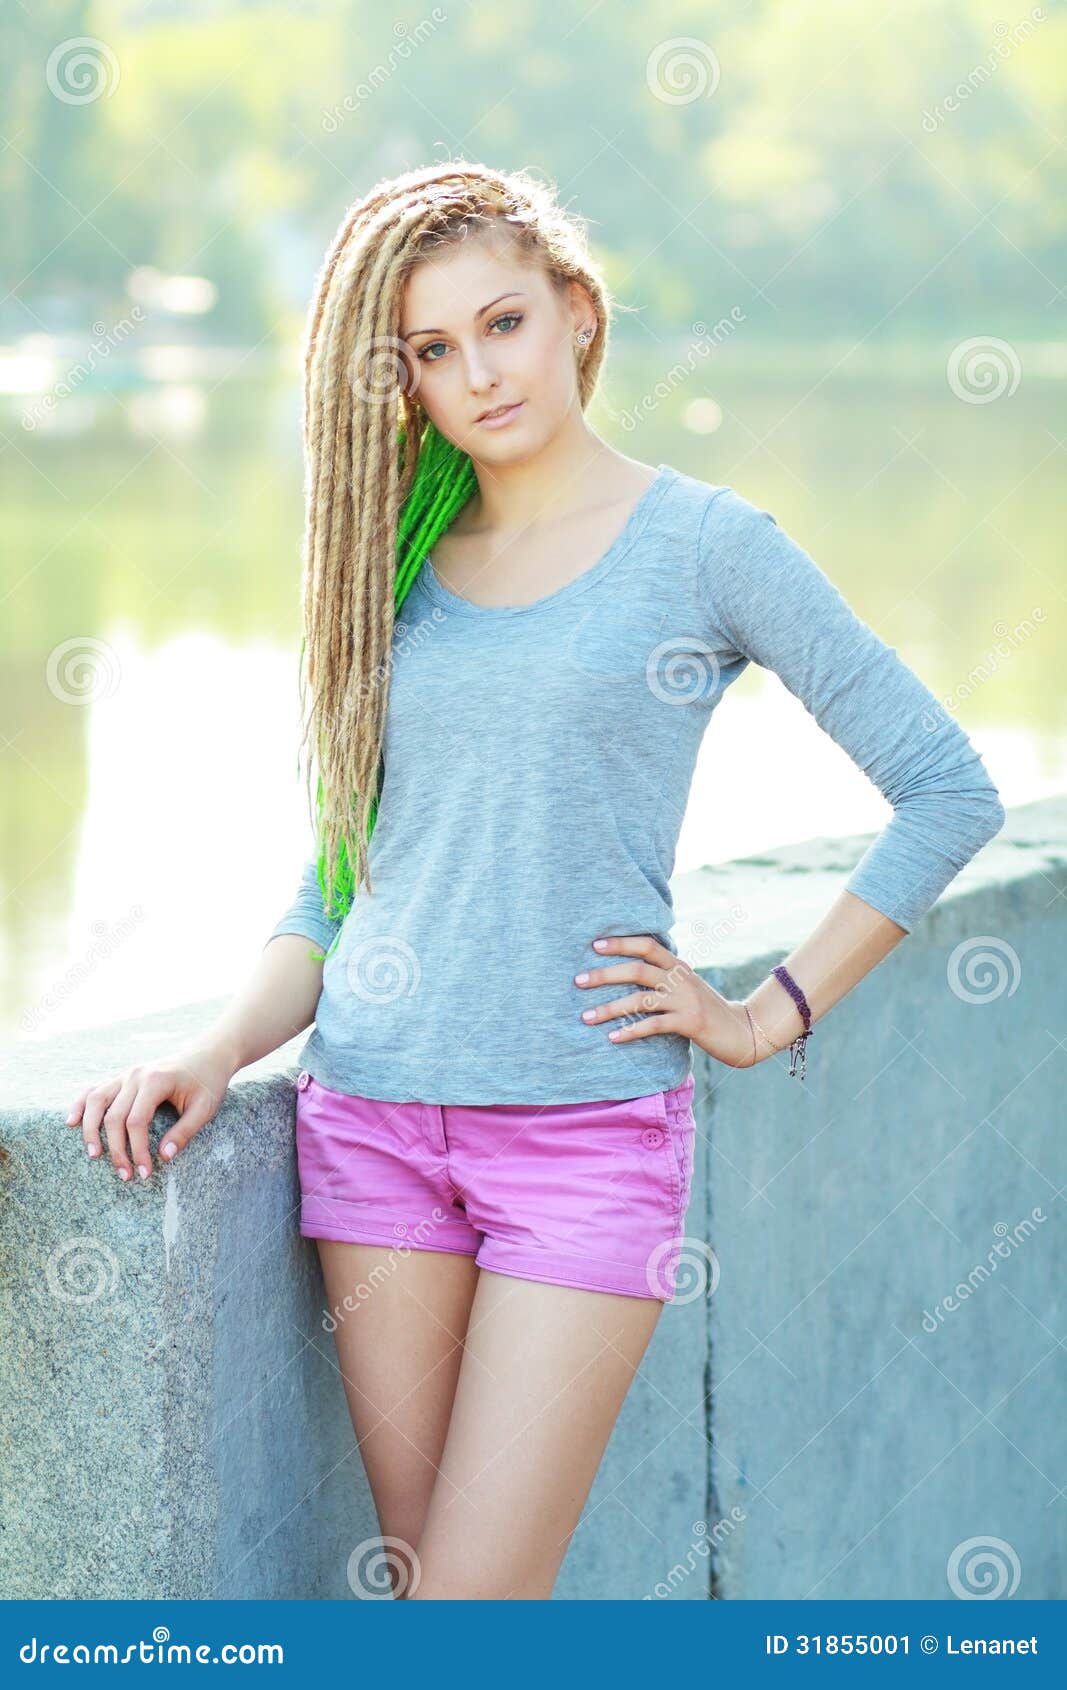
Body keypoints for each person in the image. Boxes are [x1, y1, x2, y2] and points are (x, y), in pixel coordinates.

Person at [66, 161, 1005, 1600]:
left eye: (502, 323)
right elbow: (336, 887)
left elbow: (946, 785)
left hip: (580, 1139)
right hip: (371, 1127)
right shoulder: (396, 562)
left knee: (472, 1613)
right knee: (425, 1598)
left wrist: (768, 1012)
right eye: (431, 352)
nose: (477, 374)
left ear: (577, 310)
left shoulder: (708, 544)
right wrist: (214, 1046)